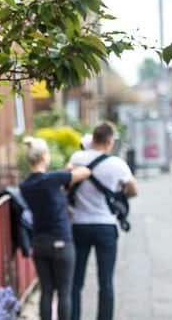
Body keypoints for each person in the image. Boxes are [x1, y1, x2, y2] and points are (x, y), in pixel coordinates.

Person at [68, 122, 138, 320]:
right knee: (105, 282)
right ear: (109, 141)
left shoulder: (76, 158)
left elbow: (68, 182)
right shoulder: (117, 164)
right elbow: (133, 190)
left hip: (79, 225)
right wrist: (116, 194)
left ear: (93, 138)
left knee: (76, 281)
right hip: (106, 226)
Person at [20, 137, 91, 320]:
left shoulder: (25, 185)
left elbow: (50, 193)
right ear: (44, 156)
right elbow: (85, 172)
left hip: (40, 242)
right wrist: (70, 168)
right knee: (64, 293)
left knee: (46, 291)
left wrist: (63, 175)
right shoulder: (53, 179)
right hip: (61, 241)